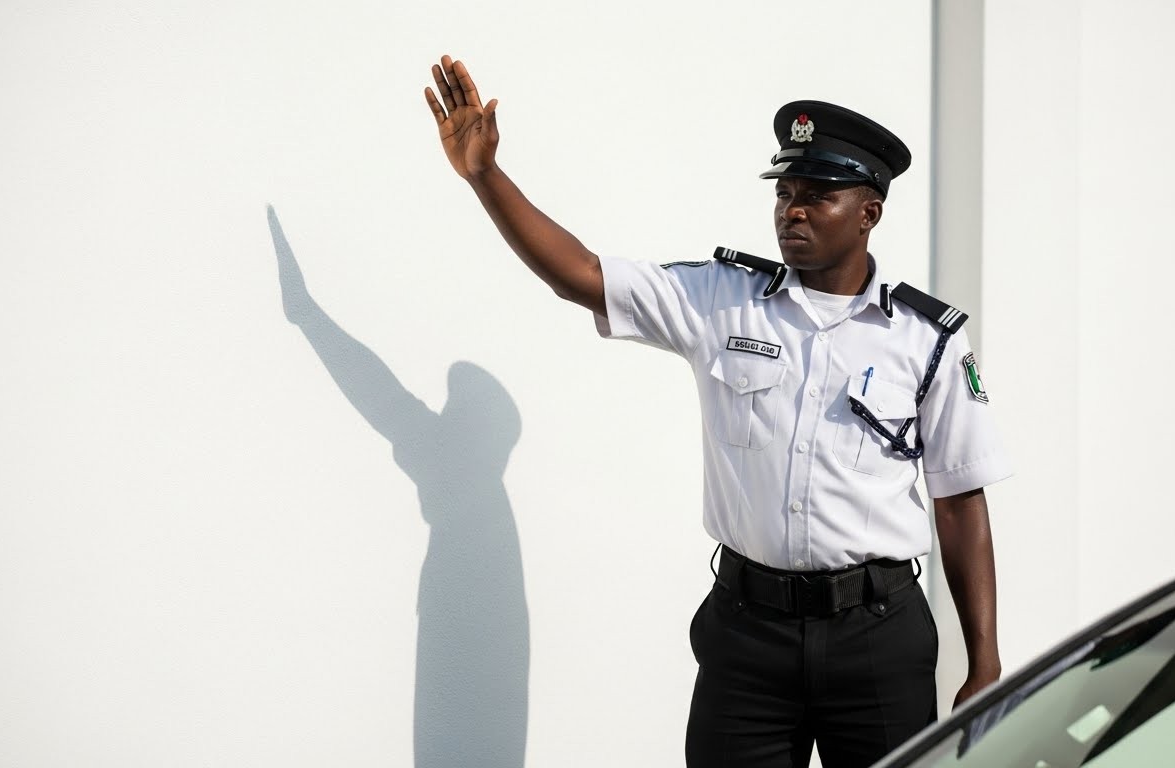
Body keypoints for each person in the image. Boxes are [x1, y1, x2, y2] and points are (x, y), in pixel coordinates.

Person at [423, 55, 1010, 768]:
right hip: (747, 636)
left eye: (815, 196)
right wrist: (485, 176)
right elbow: (580, 274)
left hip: (877, 637)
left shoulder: (928, 339)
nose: (790, 210)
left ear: (868, 213)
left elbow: (958, 503)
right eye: (784, 192)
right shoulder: (719, 301)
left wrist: (984, 662)